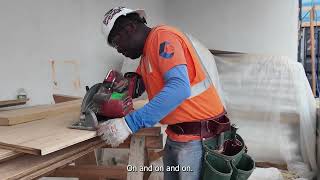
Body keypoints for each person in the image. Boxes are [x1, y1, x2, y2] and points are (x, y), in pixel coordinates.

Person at [98, 7, 227, 180]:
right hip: (179, 136)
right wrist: (120, 86)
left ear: (129, 28)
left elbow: (179, 88)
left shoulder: (162, 37)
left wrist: (128, 124)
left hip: (198, 139)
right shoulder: (147, 55)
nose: (118, 50)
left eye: (115, 41)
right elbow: (138, 83)